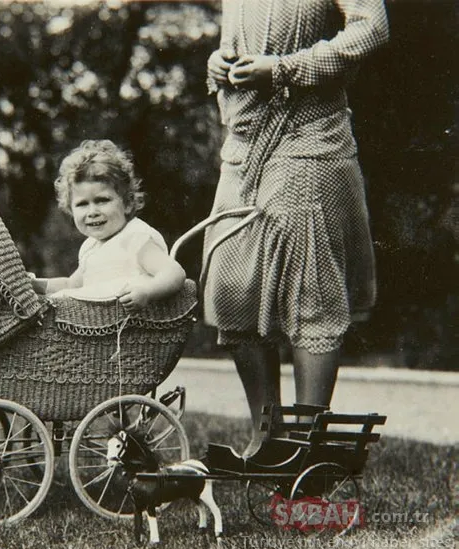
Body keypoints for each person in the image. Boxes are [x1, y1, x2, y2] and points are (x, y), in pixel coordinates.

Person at [204, 0, 389, 456]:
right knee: (230, 285)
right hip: (244, 144)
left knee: (312, 294)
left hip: (310, 137)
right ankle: (267, 437)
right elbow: (238, 40)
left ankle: (308, 446)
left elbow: (372, 29)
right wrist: (219, 63)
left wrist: (286, 68)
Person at [31, 139, 186, 313]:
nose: (92, 212)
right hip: (95, 329)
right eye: (82, 204)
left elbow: (174, 272)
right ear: (70, 210)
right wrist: (36, 285)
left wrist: (146, 292)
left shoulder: (135, 238)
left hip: (132, 327)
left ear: (127, 203)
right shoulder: (91, 246)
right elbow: (71, 284)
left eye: (102, 200)